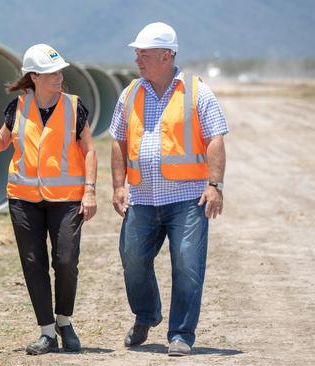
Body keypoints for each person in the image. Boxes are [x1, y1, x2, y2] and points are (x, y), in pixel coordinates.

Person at [110, 22, 228, 357]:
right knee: (132, 259)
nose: (138, 59)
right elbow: (117, 140)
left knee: (187, 265)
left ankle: (181, 334)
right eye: (137, 53)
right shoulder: (130, 92)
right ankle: (146, 316)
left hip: (187, 199)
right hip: (143, 197)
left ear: (166, 55)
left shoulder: (196, 91)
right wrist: (118, 185)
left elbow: (216, 137)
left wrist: (215, 185)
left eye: (144, 53)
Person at [0, 44, 97, 355]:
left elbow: (90, 150)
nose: (59, 77)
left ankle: (65, 321)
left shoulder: (74, 106)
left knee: (66, 261)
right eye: (52, 73)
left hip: (67, 199)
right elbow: (1, 145)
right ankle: (47, 332)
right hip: (23, 199)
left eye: (59, 72)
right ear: (34, 77)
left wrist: (90, 189)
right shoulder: (18, 108)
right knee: (33, 264)